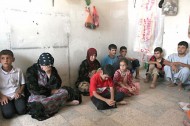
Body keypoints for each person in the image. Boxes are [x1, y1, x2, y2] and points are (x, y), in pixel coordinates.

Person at [26, 53, 80, 121]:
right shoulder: (31, 70)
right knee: (37, 106)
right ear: (40, 64)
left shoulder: (52, 69)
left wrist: (49, 74)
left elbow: (58, 84)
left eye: (50, 65)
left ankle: (54, 104)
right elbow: (32, 88)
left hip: (52, 94)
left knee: (65, 91)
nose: (49, 66)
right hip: (38, 95)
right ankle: (62, 103)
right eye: (46, 65)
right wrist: (50, 91)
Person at [0, 49, 26, 119]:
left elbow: (23, 84)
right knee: (8, 114)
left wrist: (19, 92)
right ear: (0, 60)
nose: (5, 60)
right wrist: (2, 96)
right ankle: (10, 106)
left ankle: (16, 105)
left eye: (8, 58)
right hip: (5, 96)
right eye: (3, 58)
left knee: (22, 111)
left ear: (13, 59)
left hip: (17, 95)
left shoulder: (18, 70)